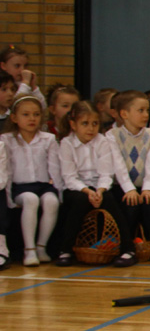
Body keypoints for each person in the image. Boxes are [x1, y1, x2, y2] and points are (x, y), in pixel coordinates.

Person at [54, 101, 131, 267]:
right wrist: (87, 192)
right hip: (77, 187)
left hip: (99, 186)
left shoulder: (103, 141)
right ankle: (65, 249)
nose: (91, 128)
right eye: (85, 124)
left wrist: (100, 191)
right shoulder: (66, 144)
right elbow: (69, 177)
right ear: (73, 125)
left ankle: (127, 249)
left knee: (109, 199)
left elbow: (106, 173)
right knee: (80, 201)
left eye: (95, 124)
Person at [106, 90, 150, 264]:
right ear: (124, 114)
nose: (146, 115)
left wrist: (147, 188)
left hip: (144, 185)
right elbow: (118, 165)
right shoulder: (112, 136)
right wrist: (129, 189)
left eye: (147, 110)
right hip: (122, 186)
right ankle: (127, 249)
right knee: (130, 203)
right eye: (140, 110)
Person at [3, 95, 61, 266]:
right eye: (26, 114)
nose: (32, 119)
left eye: (36, 114)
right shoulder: (7, 140)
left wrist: (60, 193)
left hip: (42, 185)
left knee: (51, 201)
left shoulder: (48, 139)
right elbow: (6, 171)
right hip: (20, 187)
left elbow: (55, 168)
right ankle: (29, 250)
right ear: (14, 118)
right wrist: (8, 199)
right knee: (31, 199)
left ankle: (41, 246)